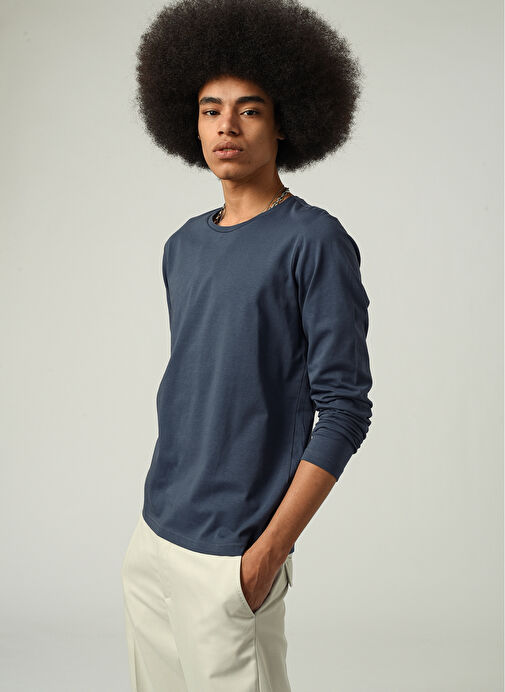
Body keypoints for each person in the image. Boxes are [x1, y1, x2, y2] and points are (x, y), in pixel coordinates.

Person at [121, 0, 374, 690]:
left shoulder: (313, 240)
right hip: (155, 536)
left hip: (234, 552)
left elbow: (344, 410)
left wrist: (266, 554)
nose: (226, 126)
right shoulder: (181, 245)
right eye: (210, 110)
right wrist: (150, 533)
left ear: (283, 121)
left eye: (249, 110)